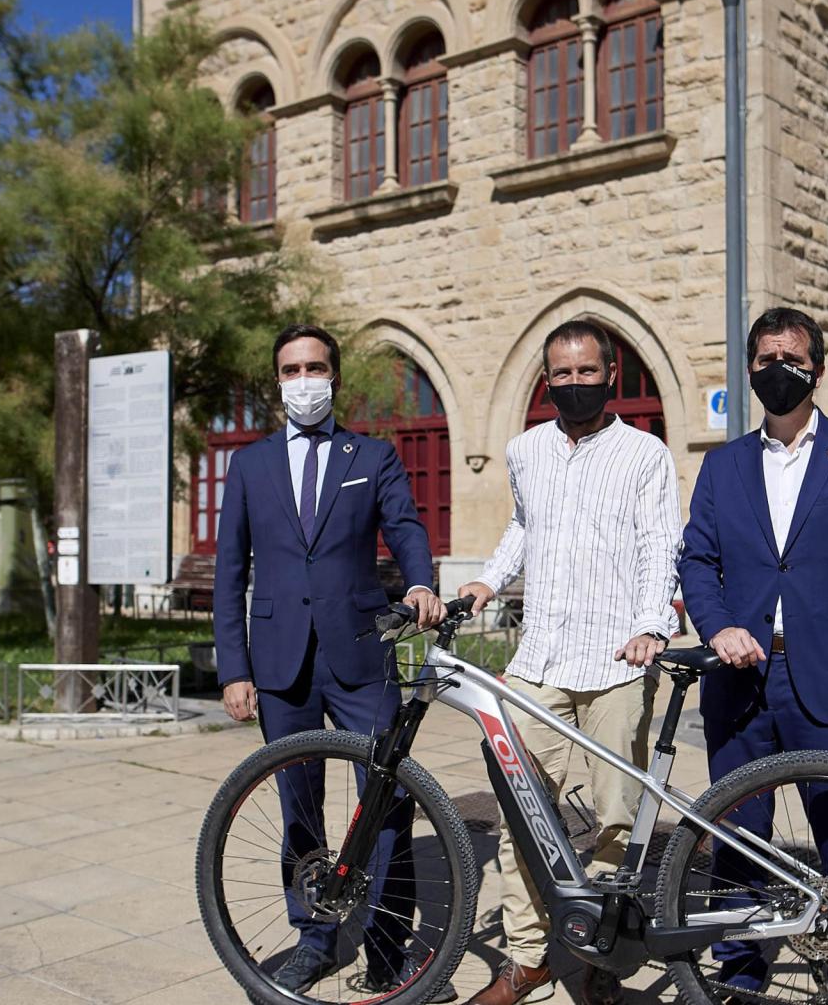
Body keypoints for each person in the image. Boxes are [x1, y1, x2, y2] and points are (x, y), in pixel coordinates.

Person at [677, 307, 828, 1003]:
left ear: (815, 369)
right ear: (750, 371)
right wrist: (717, 628)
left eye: (792, 357)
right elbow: (697, 561)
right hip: (741, 681)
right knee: (739, 841)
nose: (778, 368)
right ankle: (742, 978)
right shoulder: (723, 467)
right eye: (765, 358)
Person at [211, 324, 447, 999]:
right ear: (277, 381)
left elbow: (403, 524)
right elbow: (231, 572)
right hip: (280, 663)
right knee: (298, 806)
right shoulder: (251, 465)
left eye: (315, 366)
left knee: (389, 797)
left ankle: (384, 945)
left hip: (359, 654)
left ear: (335, 377)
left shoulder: (370, 454)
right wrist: (235, 668)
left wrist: (421, 580)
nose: (304, 378)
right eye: (291, 369)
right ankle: (313, 940)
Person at [457, 320, 682, 1005]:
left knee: (617, 818)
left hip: (617, 658)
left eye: (588, 372)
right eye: (562, 374)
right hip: (540, 659)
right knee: (522, 813)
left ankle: (604, 958)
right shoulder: (524, 450)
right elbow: (523, 525)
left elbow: (658, 544)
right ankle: (527, 960)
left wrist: (652, 626)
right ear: (547, 380)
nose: (575, 384)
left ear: (610, 376)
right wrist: (488, 580)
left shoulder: (645, 454)